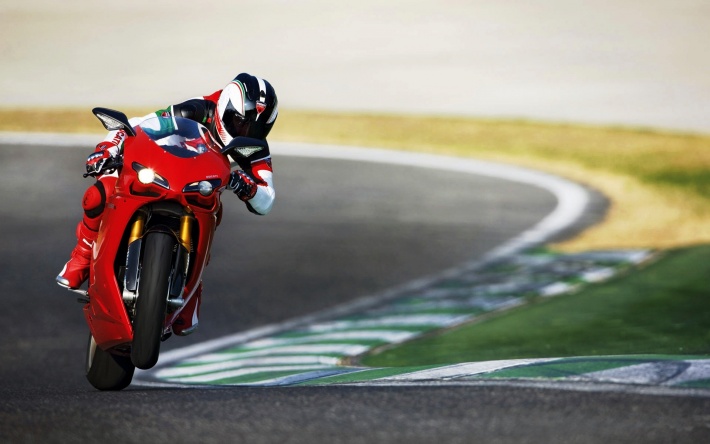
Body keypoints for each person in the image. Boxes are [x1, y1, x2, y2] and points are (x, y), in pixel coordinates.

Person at [56, 73, 278, 336]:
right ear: (225, 107)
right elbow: (139, 125)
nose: (246, 132)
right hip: (162, 171)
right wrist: (108, 149)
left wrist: (248, 186)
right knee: (100, 192)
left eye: (256, 128)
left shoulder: (254, 147)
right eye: (241, 123)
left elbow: (267, 198)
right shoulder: (197, 108)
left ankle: (192, 291)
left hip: (199, 187)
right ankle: (81, 256)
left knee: (214, 210)